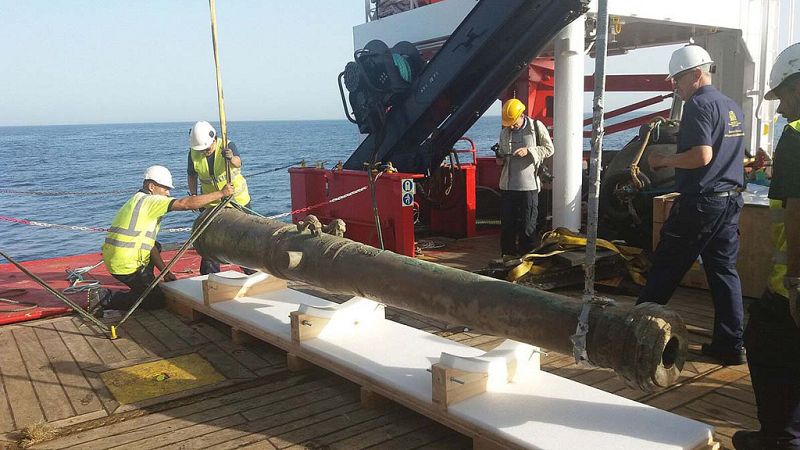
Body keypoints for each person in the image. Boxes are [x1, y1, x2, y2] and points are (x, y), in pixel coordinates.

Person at [636, 44, 746, 365]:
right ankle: (730, 344)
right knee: (724, 272)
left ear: (697, 75)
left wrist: (662, 158)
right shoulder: (731, 106)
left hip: (702, 203)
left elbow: (702, 156)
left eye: (679, 79)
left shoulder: (698, 105)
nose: (676, 87)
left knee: (667, 264)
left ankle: (636, 329)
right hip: (729, 203)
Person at [732, 42, 800, 450]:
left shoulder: (796, 134)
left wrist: (795, 281)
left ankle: (781, 438)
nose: (780, 110)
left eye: (784, 97)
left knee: (765, 345)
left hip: (789, 285)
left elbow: (797, 212)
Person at [98, 165, 234, 312]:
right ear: (151, 186)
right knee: (156, 301)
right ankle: (105, 298)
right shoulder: (151, 201)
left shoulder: (137, 199)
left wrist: (165, 273)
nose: (168, 193)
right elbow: (185, 204)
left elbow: (150, 246)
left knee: (156, 246)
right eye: (165, 189)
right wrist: (221, 193)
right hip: (126, 265)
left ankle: (145, 285)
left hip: (118, 257)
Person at [187, 120, 252, 274]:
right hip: (212, 202)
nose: (204, 151)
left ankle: (252, 272)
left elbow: (238, 163)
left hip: (237, 200)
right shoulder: (194, 152)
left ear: (214, 140)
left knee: (243, 239)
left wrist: (230, 158)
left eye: (207, 148)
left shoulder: (227, 145)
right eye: (201, 149)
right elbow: (192, 175)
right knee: (210, 239)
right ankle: (209, 276)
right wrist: (194, 196)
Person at [495, 98, 554, 259]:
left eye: (514, 122)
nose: (512, 126)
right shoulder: (505, 132)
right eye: (509, 123)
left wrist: (529, 151)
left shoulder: (536, 127)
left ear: (522, 115)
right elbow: (500, 158)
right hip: (507, 186)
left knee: (528, 226)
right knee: (507, 225)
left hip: (528, 186)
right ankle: (507, 256)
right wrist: (500, 156)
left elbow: (549, 149)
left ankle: (527, 258)